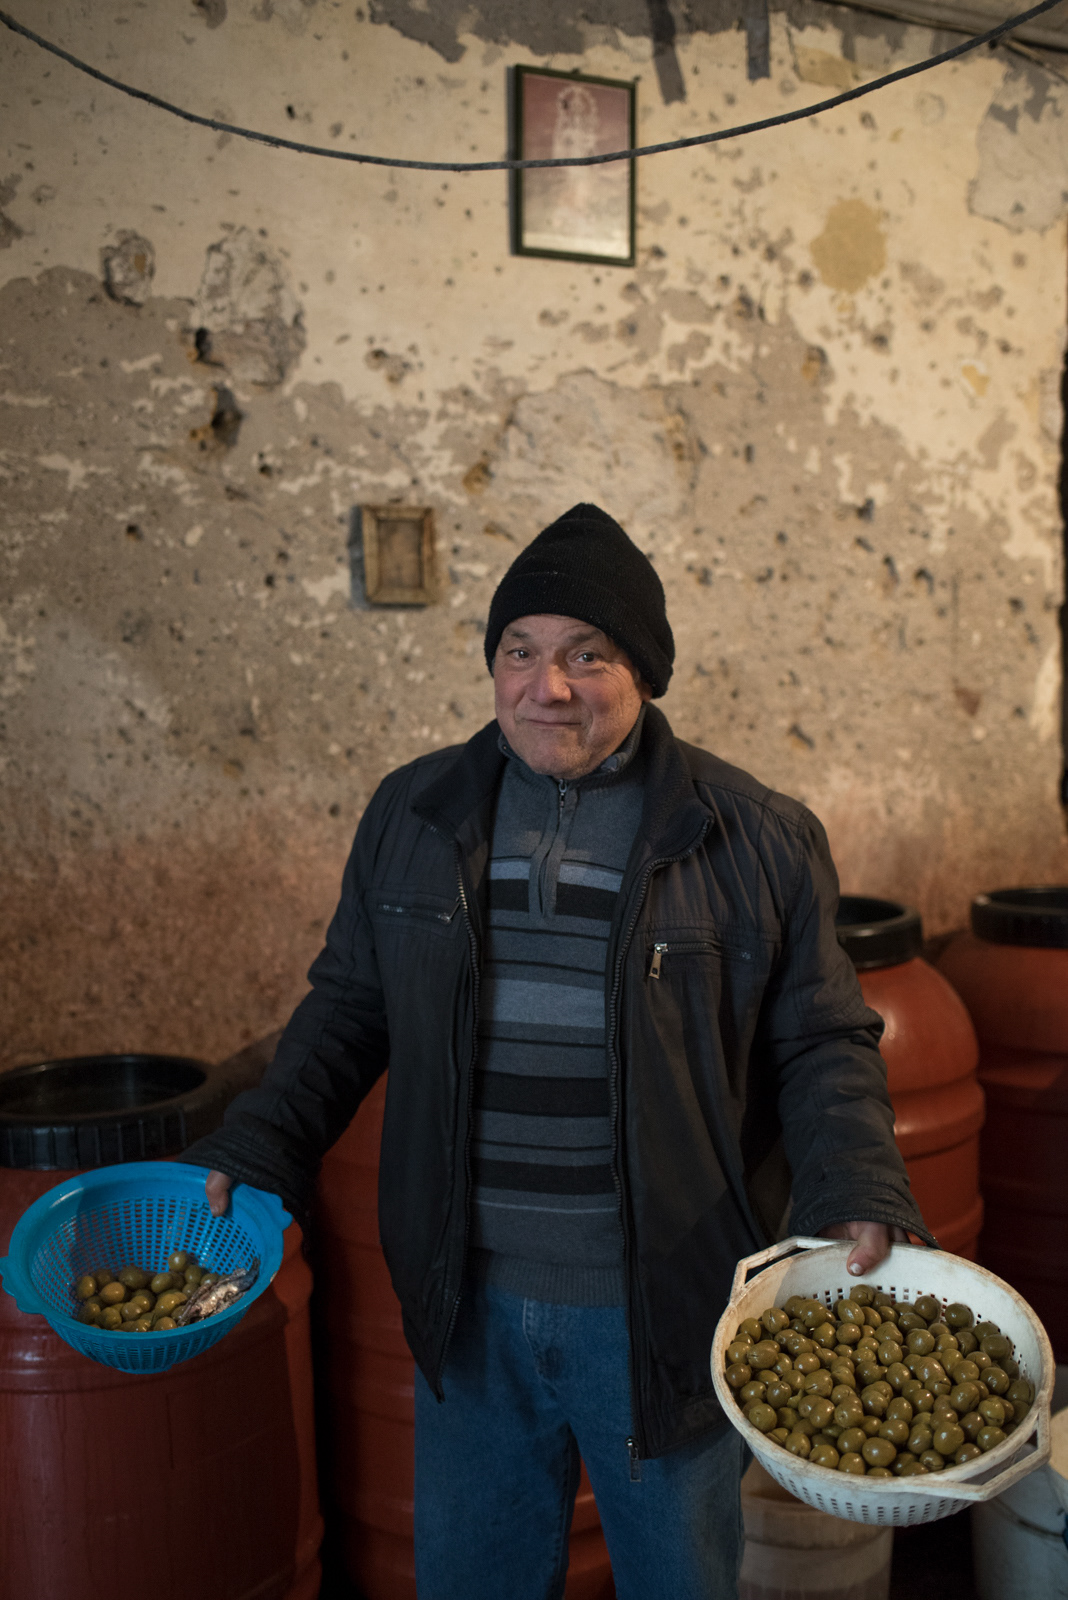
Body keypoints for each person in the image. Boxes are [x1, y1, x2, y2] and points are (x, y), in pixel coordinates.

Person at [184, 503, 932, 1600]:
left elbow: (823, 1039)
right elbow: (348, 1006)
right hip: (466, 1306)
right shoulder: (414, 812)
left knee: (680, 1580)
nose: (549, 686)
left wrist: (857, 1183)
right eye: (520, 652)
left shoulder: (754, 835)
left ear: (645, 673)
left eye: (588, 654)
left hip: (664, 1314)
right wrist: (263, 1144)